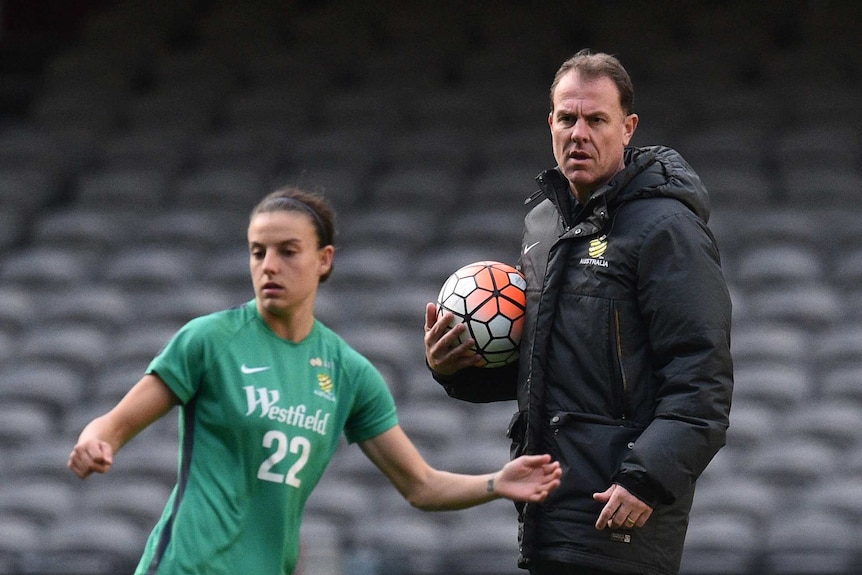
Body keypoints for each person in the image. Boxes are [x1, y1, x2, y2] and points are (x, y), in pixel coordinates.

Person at [68, 187, 562, 575]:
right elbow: (112, 425)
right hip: (184, 567)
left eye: (287, 251)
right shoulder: (207, 340)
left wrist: (498, 482)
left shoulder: (348, 373)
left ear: (324, 259)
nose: (269, 266)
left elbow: (422, 486)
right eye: (257, 252)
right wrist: (96, 441)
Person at [424, 49, 733, 575]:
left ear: (628, 127)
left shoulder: (667, 230)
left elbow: (702, 382)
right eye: (567, 118)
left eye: (596, 120)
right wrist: (457, 370)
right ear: (550, 123)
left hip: (620, 515)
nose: (578, 133)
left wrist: (646, 479)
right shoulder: (544, 226)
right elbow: (553, 364)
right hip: (549, 514)